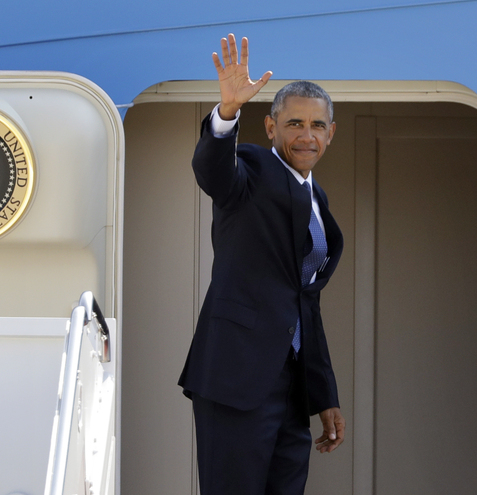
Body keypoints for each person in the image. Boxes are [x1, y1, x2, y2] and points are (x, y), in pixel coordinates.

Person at [178, 34, 345, 495]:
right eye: (294, 123)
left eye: (316, 125)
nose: (305, 135)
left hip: (291, 388)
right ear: (271, 129)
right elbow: (214, 172)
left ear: (331, 133)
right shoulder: (249, 168)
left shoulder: (318, 199)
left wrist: (324, 394)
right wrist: (227, 112)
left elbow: (304, 302)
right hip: (236, 376)